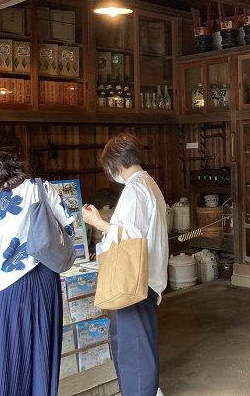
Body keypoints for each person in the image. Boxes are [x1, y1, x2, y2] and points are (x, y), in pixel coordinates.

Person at [82, 133, 169, 396]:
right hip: (144, 280)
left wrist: (98, 223)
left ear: (116, 163)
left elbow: (132, 237)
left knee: (134, 355)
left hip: (135, 282)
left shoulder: (136, 188)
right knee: (134, 348)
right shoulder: (148, 183)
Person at [0, 151, 75, 396]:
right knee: (42, 349)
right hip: (44, 279)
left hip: (5, 286)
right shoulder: (42, 189)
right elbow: (69, 230)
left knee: (9, 355)